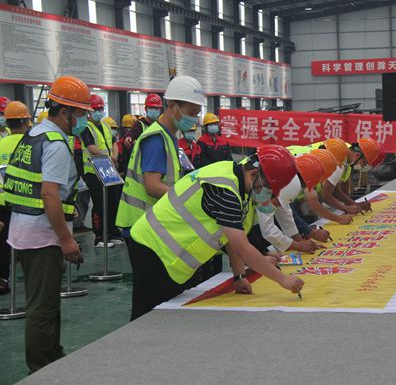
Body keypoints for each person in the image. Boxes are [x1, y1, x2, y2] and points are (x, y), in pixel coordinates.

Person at [129, 145, 304, 319]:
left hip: (169, 254)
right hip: (153, 246)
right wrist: (283, 279)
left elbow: (231, 236)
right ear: (253, 175)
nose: (267, 195)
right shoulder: (225, 189)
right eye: (268, 189)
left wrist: (239, 276)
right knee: (147, 317)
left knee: (164, 316)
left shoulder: (240, 188)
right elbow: (241, 247)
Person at [4, 75, 88, 373]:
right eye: (81, 113)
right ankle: (41, 367)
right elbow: (49, 194)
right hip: (42, 235)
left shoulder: (35, 133)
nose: (84, 120)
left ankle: (52, 355)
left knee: (44, 300)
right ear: (65, 112)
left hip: (25, 228)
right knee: (43, 305)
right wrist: (66, 239)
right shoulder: (55, 144)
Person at [116, 76, 205, 320]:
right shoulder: (156, 139)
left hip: (152, 226)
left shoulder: (169, 137)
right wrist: (187, 199)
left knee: (153, 295)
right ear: (172, 106)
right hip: (142, 228)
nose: (194, 119)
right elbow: (152, 185)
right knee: (149, 299)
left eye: (197, 113)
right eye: (191, 112)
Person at [252, 153, 326, 255]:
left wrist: (301, 242)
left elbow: (286, 214)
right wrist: (298, 245)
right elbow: (268, 229)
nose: (278, 207)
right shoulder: (263, 191)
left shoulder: (280, 182)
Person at [79, 94, 122, 247]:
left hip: (108, 170)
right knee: (99, 204)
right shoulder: (85, 127)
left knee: (112, 202)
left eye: (100, 109)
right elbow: (91, 148)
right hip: (93, 171)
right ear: (89, 111)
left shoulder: (106, 126)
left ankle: (112, 233)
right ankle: (100, 237)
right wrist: (109, 158)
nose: (98, 112)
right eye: (95, 109)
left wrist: (115, 156)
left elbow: (114, 143)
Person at [0, 101, 32, 294]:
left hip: (2, 201)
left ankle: (3, 279)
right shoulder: (30, 144)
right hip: (26, 200)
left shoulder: (1, 144)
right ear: (25, 122)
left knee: (3, 243)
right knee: (30, 242)